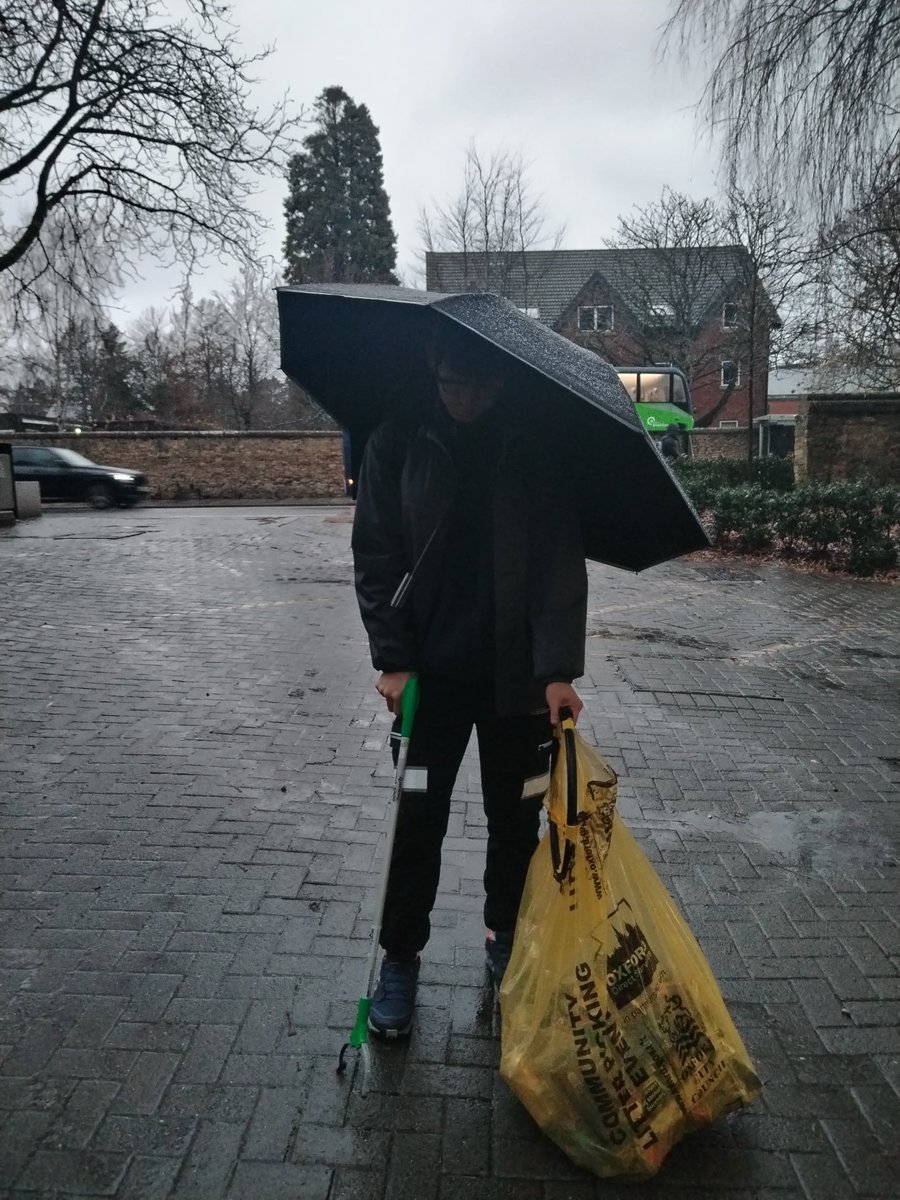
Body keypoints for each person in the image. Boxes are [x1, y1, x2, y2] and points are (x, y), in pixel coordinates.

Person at [351, 327, 587, 1038]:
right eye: (455, 383)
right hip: (430, 679)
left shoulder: (532, 449)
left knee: (516, 819)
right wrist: (393, 660)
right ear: (434, 367)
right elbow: (376, 554)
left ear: (503, 383)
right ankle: (400, 956)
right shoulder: (397, 442)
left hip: (517, 681)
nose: (468, 399)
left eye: (483, 386)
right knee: (417, 817)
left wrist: (557, 672)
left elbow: (558, 563)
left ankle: (504, 937)